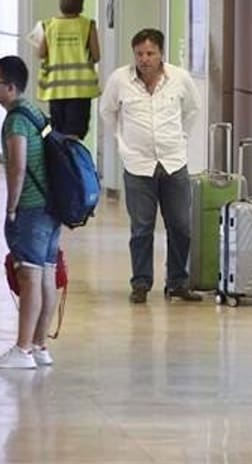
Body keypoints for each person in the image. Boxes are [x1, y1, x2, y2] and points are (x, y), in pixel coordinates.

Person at [99, 28, 202, 304]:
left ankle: (178, 282)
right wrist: (122, 142)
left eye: (150, 53)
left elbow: (192, 109)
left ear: (161, 54)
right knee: (142, 227)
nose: (144, 59)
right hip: (137, 164)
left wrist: (181, 137)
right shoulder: (120, 80)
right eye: (139, 54)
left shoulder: (179, 78)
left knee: (180, 225)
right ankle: (141, 283)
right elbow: (107, 111)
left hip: (173, 161)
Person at [0, 55, 61, 369]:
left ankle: (22, 349)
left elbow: (17, 167)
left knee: (29, 276)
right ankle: (40, 345)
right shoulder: (34, 111)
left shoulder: (16, 120)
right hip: (51, 205)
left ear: (11, 87)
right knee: (45, 274)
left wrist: (12, 207)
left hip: (31, 207)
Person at [36, 0, 101, 138]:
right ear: (81, 2)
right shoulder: (88, 25)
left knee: (58, 132)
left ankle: (61, 161)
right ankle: (72, 162)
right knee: (75, 134)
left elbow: (40, 53)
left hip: (56, 88)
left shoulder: (48, 25)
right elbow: (97, 56)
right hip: (80, 89)